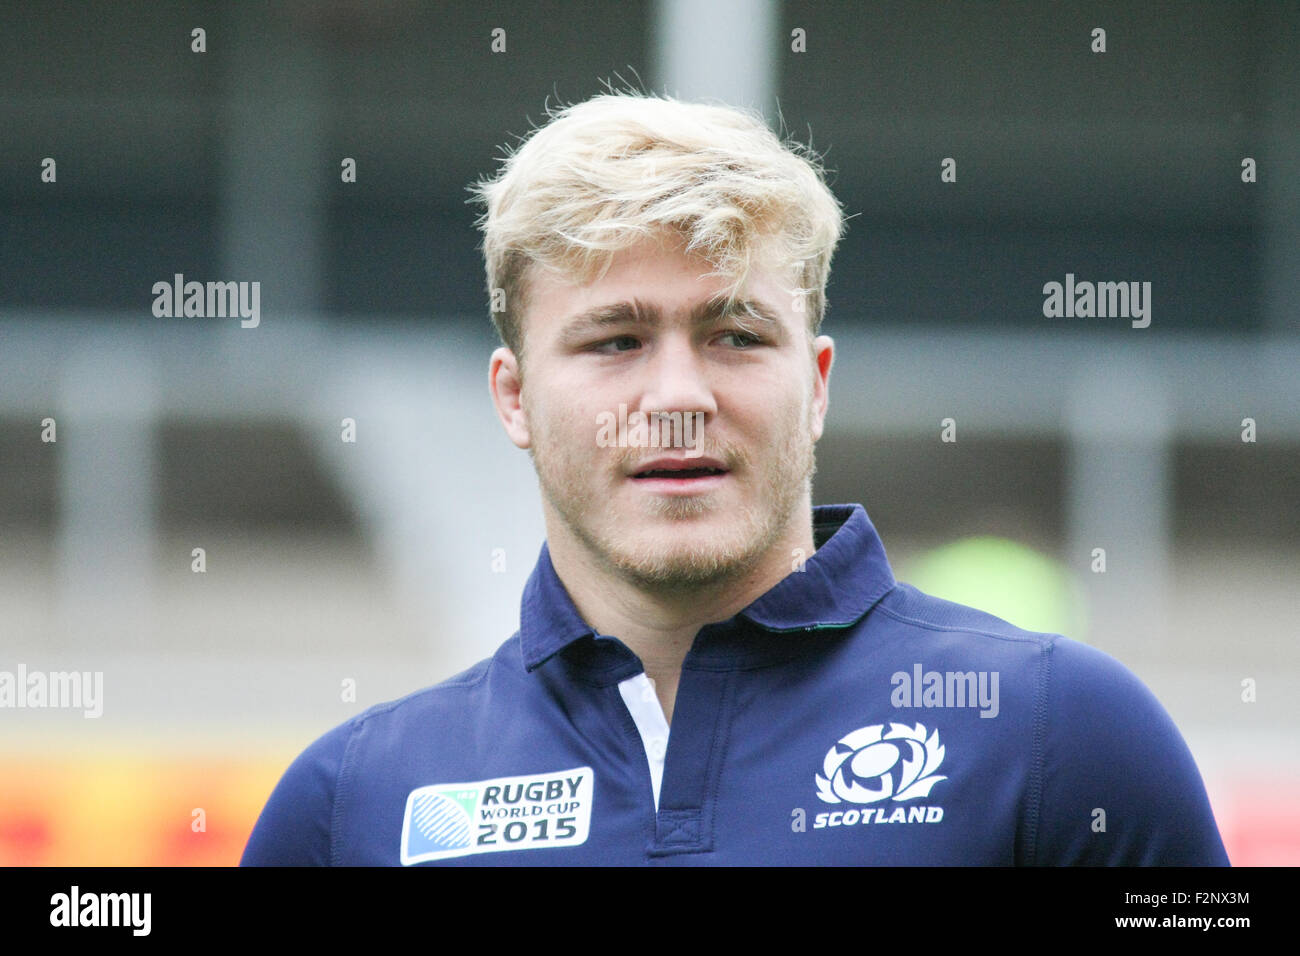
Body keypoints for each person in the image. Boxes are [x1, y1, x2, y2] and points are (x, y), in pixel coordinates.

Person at [241, 90, 1228, 866]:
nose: (677, 395)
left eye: (735, 334)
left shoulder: (1064, 734)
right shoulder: (349, 805)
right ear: (513, 397)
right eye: (614, 339)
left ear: (816, 382)